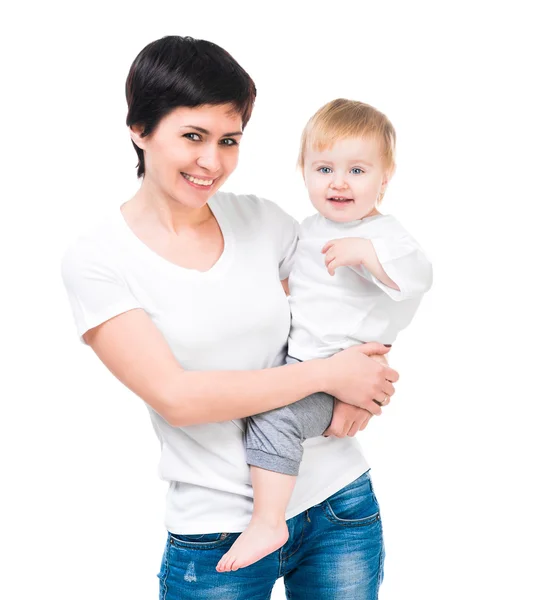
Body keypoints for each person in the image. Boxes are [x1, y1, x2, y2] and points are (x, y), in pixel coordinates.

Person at [61, 36, 400, 599]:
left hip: (337, 502)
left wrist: (364, 385)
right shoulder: (98, 260)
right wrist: (329, 376)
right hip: (216, 531)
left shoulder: (262, 221)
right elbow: (180, 398)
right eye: (192, 136)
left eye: (229, 140)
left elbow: (338, 315)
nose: (212, 162)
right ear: (140, 129)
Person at [216, 98, 433, 573]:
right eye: (324, 168)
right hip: (305, 367)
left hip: (340, 376)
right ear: (304, 171)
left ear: (385, 176)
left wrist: (368, 254)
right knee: (265, 401)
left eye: (357, 170)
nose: (338, 182)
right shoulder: (305, 231)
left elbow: (417, 277)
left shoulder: (386, 235)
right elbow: (288, 285)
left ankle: (269, 521)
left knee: (274, 415)